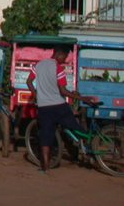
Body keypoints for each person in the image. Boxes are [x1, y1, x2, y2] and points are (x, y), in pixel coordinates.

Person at [26, 45, 96, 173]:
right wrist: (83, 99)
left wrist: (36, 95)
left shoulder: (39, 65)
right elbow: (63, 92)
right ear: (59, 54)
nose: (65, 60)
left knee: (46, 138)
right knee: (75, 128)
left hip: (44, 108)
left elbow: (29, 81)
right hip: (59, 106)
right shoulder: (58, 68)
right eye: (65, 57)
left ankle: (45, 168)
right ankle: (92, 148)